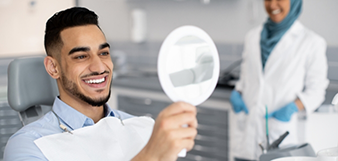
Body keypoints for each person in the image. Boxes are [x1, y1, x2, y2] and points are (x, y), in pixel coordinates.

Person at [4, 7, 197, 161]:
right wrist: (150, 157)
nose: (99, 67)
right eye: (81, 56)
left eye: (103, 53)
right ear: (53, 67)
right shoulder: (28, 146)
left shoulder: (145, 127)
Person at [230, 0, 329, 160]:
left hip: (282, 134)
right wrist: (237, 92)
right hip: (247, 133)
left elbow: (317, 91)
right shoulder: (252, 37)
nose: (273, 5)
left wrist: (292, 107)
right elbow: (246, 79)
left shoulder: (312, 42)